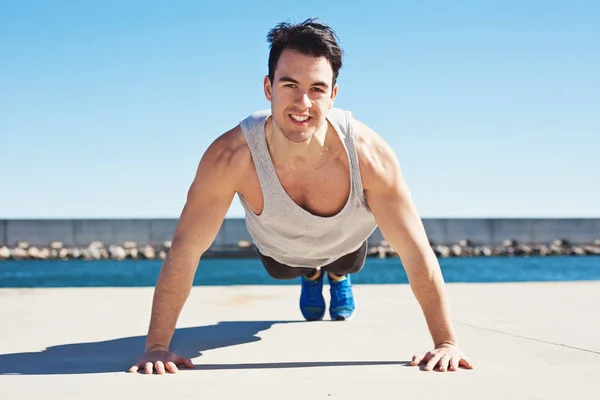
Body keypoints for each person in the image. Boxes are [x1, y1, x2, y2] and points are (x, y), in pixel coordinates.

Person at [128, 18, 473, 375]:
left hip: (345, 245)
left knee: (343, 262)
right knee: (285, 269)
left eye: (317, 89)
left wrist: (446, 342)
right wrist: (156, 346)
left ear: (333, 95)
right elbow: (185, 249)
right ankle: (311, 276)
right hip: (280, 252)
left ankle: (336, 277)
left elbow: (415, 251)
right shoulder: (230, 156)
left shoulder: (370, 156)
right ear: (268, 87)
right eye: (289, 84)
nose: (302, 102)